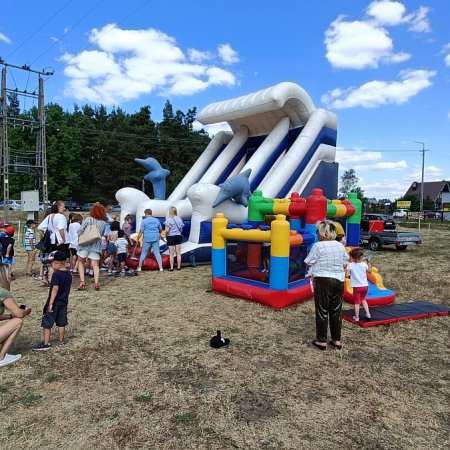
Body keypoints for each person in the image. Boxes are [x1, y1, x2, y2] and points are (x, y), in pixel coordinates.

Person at [304, 220, 349, 350]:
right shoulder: (339, 245)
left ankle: (322, 340)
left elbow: (308, 261)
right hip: (338, 280)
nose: (317, 233)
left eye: (318, 231)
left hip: (323, 279)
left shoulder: (318, 246)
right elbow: (345, 262)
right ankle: (336, 340)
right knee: (336, 310)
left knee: (322, 310)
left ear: (323, 232)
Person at [32, 251, 72, 350]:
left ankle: (46, 343)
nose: (51, 265)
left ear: (59, 263)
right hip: (64, 302)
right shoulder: (69, 274)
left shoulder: (57, 274)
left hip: (55, 303)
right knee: (62, 322)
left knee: (47, 323)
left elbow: (55, 289)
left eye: (52, 263)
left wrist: (51, 303)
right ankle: (61, 341)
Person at [0, 264, 32, 367]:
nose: (12, 275)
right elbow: (19, 314)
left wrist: (10, 316)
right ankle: (1, 357)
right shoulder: (3, 293)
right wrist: (27, 310)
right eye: (10, 273)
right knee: (18, 322)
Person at [77, 204, 107, 291]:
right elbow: (101, 234)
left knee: (80, 262)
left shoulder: (88, 219)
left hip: (85, 244)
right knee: (95, 265)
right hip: (96, 245)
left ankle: (82, 281)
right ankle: (96, 282)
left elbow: (80, 230)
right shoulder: (103, 223)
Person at [346, 248, 372, 321]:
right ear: (361, 257)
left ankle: (357, 317)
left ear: (353, 257)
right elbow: (370, 271)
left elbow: (346, 275)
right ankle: (368, 314)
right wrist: (369, 262)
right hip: (365, 286)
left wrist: (349, 272)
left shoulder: (350, 265)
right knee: (363, 299)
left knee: (357, 302)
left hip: (357, 287)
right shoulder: (364, 264)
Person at [164, 206, 184, 271]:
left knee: (171, 253)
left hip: (171, 237)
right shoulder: (179, 219)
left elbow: (167, 230)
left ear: (170, 212)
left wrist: (166, 235)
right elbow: (181, 229)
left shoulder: (169, 220)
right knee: (178, 252)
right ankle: (178, 266)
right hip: (178, 236)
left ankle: (172, 267)